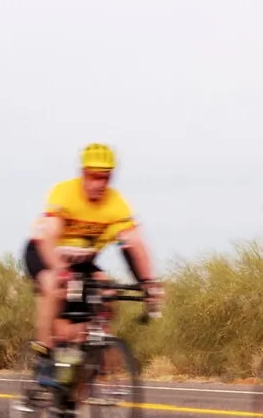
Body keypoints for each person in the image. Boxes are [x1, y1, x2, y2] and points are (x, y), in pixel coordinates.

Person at [23, 143, 162, 385]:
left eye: (105, 177)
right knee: (53, 284)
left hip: (82, 262)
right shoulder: (65, 192)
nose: (99, 183)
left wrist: (148, 283)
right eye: (93, 176)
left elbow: (135, 244)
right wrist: (59, 270)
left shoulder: (116, 203)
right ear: (83, 173)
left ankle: (87, 358)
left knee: (106, 291)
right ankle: (44, 353)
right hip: (46, 253)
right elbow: (49, 236)